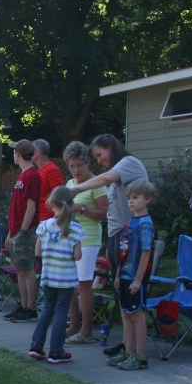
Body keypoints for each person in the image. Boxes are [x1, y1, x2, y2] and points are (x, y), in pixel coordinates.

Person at [71, 134, 149, 352]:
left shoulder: (128, 163)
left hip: (130, 237)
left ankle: (136, 352)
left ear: (110, 147)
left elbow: (104, 179)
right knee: (121, 296)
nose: (98, 160)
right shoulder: (118, 175)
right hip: (118, 237)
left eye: (99, 154)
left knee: (129, 297)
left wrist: (76, 189)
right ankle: (126, 345)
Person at [28, 186, 85, 364]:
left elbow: (37, 251)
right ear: (71, 204)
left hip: (48, 276)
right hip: (66, 279)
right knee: (61, 313)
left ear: (51, 203)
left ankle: (36, 346)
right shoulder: (75, 228)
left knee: (47, 309)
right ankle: (56, 351)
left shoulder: (44, 226)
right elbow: (77, 256)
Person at [103, 179, 155, 370]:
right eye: (129, 198)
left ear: (147, 199)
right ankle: (128, 351)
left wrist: (138, 279)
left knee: (137, 315)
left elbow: (146, 252)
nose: (131, 201)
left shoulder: (145, 224)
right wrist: (118, 274)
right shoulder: (129, 223)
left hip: (136, 277)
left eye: (136, 198)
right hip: (124, 275)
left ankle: (140, 357)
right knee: (126, 313)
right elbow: (123, 252)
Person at [62, 141, 109, 344]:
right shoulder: (70, 185)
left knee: (84, 284)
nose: (76, 170)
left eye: (79, 165)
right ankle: (74, 326)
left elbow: (105, 215)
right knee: (70, 284)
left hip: (89, 239)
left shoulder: (97, 184)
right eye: (71, 166)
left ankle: (87, 331)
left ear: (87, 163)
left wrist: (82, 209)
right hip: (71, 240)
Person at [4, 139, 41, 323]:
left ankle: (30, 308)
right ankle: (23, 305)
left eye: (14, 152)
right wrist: (11, 232)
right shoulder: (22, 175)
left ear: (18, 153)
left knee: (27, 269)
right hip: (16, 231)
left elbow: (31, 207)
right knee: (19, 270)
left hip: (25, 232)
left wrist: (23, 231)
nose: (13, 155)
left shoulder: (32, 175)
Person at [32, 139, 65, 222]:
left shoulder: (52, 170)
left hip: (48, 219)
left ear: (38, 153)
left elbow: (59, 195)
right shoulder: (39, 170)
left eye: (31, 152)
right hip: (39, 218)